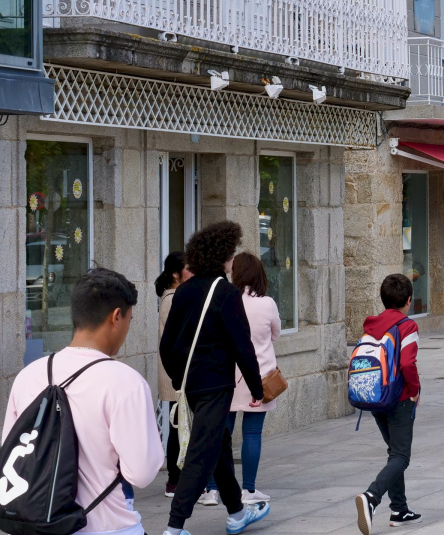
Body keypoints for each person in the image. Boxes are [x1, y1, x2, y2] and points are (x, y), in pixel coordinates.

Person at [3, 268, 165, 535]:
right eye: (129, 320)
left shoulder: (28, 375)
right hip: (107, 527)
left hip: (35, 525)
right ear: (116, 316)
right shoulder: (126, 382)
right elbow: (142, 473)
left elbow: (11, 450)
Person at [159, 221, 269, 535]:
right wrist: (256, 386)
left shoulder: (184, 292)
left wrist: (180, 380)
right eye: (231, 254)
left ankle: (236, 512)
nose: (234, 260)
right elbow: (242, 344)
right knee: (200, 453)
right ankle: (174, 527)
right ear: (222, 256)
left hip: (192, 386)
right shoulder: (225, 293)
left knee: (218, 445)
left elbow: (167, 345)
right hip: (216, 386)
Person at [355, 274, 424, 533]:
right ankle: (371, 497)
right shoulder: (407, 326)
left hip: (375, 398)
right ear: (408, 301)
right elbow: (407, 363)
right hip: (400, 398)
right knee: (401, 456)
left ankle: (400, 509)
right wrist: (415, 391)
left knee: (393, 452)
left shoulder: (371, 325)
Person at [222, 253, 281, 505]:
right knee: (252, 433)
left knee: (221, 432)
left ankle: (213, 487)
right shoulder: (267, 303)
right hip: (260, 375)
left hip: (227, 375)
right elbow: (275, 334)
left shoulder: (226, 299)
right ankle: (249, 489)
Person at [155, 251, 186, 497]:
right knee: (177, 425)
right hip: (175, 371)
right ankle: (174, 480)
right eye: (187, 268)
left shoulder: (175, 296)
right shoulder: (172, 298)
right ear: (176, 274)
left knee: (179, 424)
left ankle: (177, 477)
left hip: (175, 370)